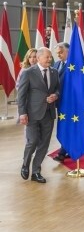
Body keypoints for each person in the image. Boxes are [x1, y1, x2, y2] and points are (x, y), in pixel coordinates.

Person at [18, 47, 60, 183]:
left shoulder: (54, 72)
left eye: (50, 57)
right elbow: (21, 95)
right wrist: (22, 113)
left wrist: (55, 96)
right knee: (33, 141)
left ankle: (36, 171)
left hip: (48, 113)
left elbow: (58, 89)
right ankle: (25, 164)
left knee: (44, 144)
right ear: (39, 57)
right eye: (47, 57)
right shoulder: (28, 72)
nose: (50, 59)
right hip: (32, 114)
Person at [52, 42, 70, 162]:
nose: (58, 55)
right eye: (57, 53)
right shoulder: (56, 64)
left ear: (68, 51)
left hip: (70, 102)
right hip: (59, 101)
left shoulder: (74, 65)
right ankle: (66, 148)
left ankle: (63, 152)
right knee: (63, 125)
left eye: (61, 52)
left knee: (67, 126)